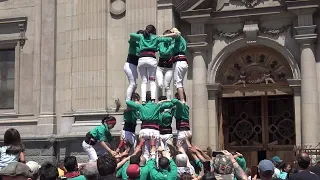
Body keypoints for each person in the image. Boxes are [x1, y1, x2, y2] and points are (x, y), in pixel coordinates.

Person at [129, 25, 178, 103]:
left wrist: (140, 35)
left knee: (144, 81)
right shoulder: (155, 37)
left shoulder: (141, 37)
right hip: (151, 59)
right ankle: (153, 99)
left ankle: (144, 100)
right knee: (152, 81)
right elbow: (171, 38)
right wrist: (163, 35)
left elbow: (131, 34)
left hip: (141, 59)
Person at [126, 91, 174, 160]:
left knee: (145, 154)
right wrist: (164, 101)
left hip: (144, 131)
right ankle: (153, 168)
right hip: (154, 131)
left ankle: (145, 167)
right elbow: (171, 104)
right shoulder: (157, 105)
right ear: (153, 98)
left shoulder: (141, 106)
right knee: (155, 152)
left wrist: (136, 103)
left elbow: (128, 102)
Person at [163, 28, 187, 103]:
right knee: (180, 83)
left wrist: (162, 36)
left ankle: (182, 100)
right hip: (181, 62)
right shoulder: (177, 40)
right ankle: (182, 98)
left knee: (177, 83)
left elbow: (177, 34)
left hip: (179, 61)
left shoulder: (178, 38)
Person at [124, 30, 144, 101]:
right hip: (129, 64)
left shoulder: (142, 45)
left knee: (135, 85)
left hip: (134, 66)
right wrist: (139, 36)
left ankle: (131, 98)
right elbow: (132, 36)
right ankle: (128, 100)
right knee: (132, 84)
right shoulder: (134, 43)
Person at [156, 30, 174, 100]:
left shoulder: (173, 43)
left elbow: (165, 52)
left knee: (167, 86)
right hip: (160, 67)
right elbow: (162, 52)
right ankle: (159, 101)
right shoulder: (161, 43)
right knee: (160, 85)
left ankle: (168, 102)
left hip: (169, 68)